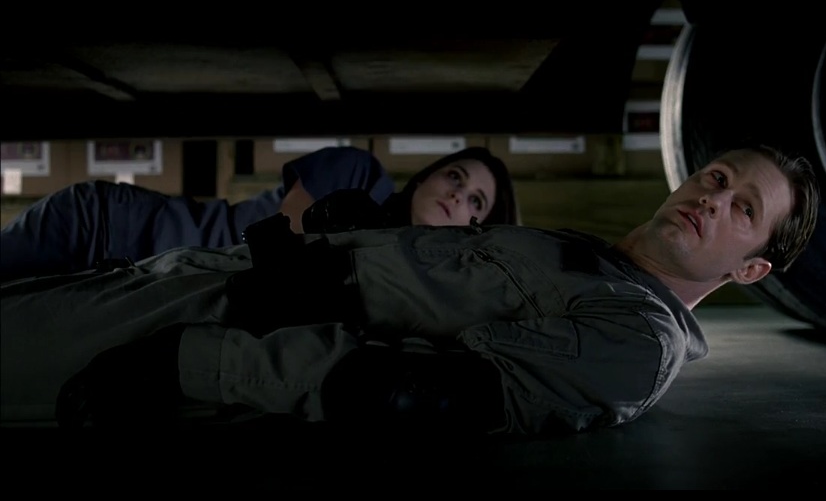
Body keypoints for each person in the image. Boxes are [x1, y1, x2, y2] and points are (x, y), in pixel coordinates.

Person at [0, 144, 819, 436]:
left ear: (752, 269)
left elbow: (416, 394)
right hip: (196, 281)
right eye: (717, 177)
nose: (713, 199)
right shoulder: (591, 257)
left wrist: (189, 364)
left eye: (743, 209)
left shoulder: (639, 339)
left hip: (205, 333)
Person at [0, 145, 518, 281]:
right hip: (109, 229)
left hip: (129, 285)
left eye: (476, 200)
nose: (458, 195)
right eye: (455, 176)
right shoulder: (362, 174)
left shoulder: (409, 273)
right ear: (425, 176)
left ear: (477, 226)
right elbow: (279, 246)